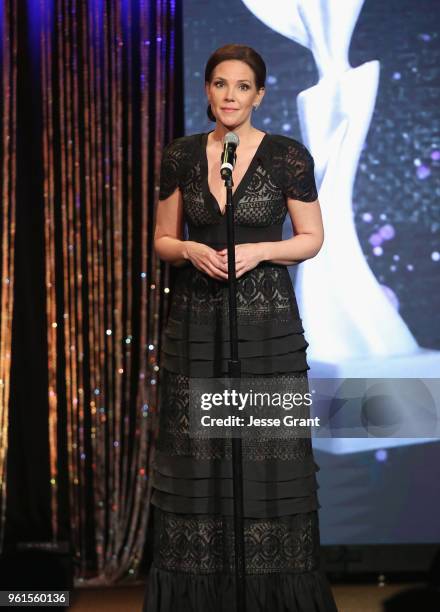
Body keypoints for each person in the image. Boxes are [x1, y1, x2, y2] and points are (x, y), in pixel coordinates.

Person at [143, 43, 338, 611]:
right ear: (208, 91)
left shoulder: (286, 156)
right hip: (198, 326)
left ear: (260, 95)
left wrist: (258, 253)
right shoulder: (180, 155)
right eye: (221, 84)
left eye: (243, 86)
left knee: (267, 455)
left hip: (266, 329)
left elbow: (311, 238)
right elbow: (161, 238)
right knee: (197, 455)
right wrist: (186, 248)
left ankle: (272, 592)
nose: (231, 95)